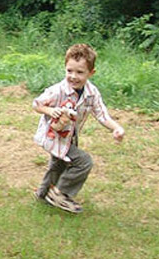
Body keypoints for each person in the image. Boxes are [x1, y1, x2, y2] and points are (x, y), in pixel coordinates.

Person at [32, 43, 125, 213]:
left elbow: (101, 114)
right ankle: (61, 194)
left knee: (58, 165)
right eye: (69, 71)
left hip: (69, 137)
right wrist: (51, 110)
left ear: (91, 73)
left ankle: (43, 195)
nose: (73, 76)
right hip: (53, 135)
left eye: (80, 72)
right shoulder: (57, 90)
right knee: (83, 162)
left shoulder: (92, 93)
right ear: (65, 68)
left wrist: (116, 128)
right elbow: (36, 104)